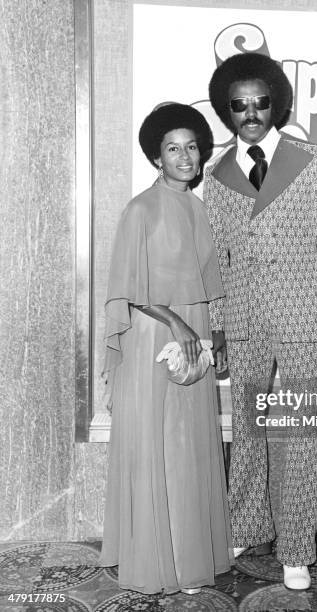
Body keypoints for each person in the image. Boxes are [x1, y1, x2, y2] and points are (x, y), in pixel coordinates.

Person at [203, 52, 317, 591]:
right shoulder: (215, 173)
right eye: (239, 106)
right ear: (227, 111)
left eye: (260, 102)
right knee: (245, 430)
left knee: (298, 432)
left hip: (302, 317)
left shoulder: (311, 159)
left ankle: (295, 549)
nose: (251, 113)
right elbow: (214, 255)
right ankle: (245, 525)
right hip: (243, 320)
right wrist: (218, 322)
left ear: (275, 103)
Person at [99, 103, 232, 594]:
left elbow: (207, 282)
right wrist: (177, 324)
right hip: (154, 336)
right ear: (157, 156)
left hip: (191, 333)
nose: (185, 156)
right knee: (160, 447)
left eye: (192, 147)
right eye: (173, 148)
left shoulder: (197, 208)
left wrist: (211, 329)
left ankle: (188, 556)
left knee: (188, 447)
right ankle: (162, 564)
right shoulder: (141, 209)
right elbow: (127, 289)